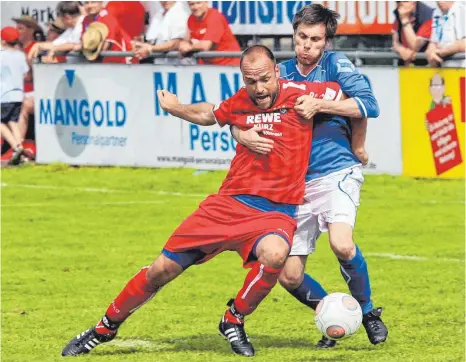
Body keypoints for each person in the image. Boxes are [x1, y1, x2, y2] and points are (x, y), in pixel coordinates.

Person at [61, 45, 343, 357]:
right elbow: (211, 113)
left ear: (277, 72)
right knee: (161, 270)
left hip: (276, 211)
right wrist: (178, 108)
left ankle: (233, 318)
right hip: (228, 204)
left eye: (264, 79)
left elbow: (344, 96)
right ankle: (103, 328)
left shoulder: (301, 93)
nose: (259, 88)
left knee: (276, 255)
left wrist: (317, 104)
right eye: (251, 81)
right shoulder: (240, 101)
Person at [231, 4, 388, 348]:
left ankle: (368, 312)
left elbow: (368, 105)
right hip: (295, 183)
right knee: (289, 276)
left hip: (336, 171)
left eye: (316, 39)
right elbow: (239, 113)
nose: (307, 45)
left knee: (342, 244)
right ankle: (334, 312)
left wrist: (322, 106)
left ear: (326, 41)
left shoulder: (335, 66)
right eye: (302, 37)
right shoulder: (279, 73)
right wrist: (241, 135)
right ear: (294, 35)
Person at [401, 1, 465, 68]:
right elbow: (434, 41)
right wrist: (430, 50)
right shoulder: (437, 12)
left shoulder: (461, 10)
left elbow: (463, 43)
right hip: (445, 68)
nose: (440, 1)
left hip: (461, 68)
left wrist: (441, 52)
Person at [0, 27, 30, 165]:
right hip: (18, 94)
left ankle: (16, 147)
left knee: (1, 123)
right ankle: (21, 151)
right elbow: (25, 73)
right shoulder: (20, 55)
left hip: (4, 95)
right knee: (13, 122)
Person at [178, 1, 241, 66]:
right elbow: (185, 41)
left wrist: (189, 47)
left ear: (206, 3)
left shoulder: (215, 16)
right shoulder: (191, 18)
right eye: (192, 4)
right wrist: (183, 45)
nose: (195, 7)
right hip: (209, 65)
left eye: (198, 3)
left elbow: (206, 46)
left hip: (230, 65)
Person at [392, 1, 434, 66]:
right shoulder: (399, 13)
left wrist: (405, 19)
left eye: (404, 1)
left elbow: (415, 46)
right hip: (404, 65)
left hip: (424, 65)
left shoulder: (428, 16)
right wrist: (400, 49)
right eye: (397, 2)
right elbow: (395, 42)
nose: (400, 4)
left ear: (413, 2)